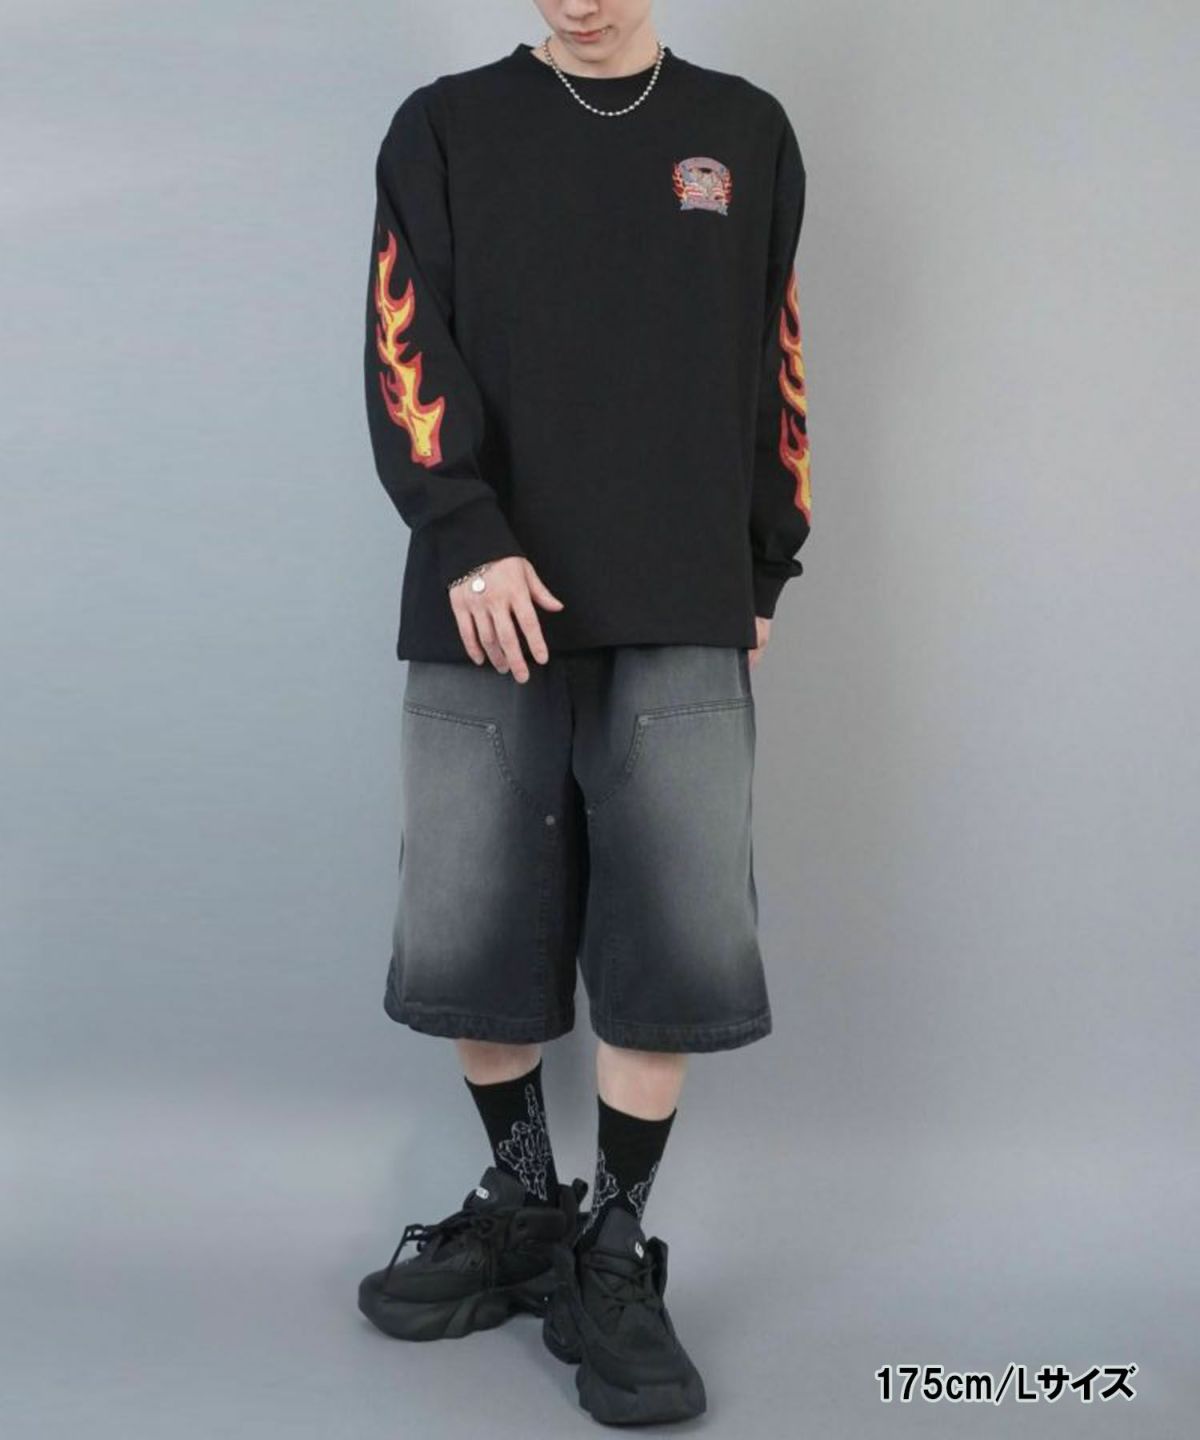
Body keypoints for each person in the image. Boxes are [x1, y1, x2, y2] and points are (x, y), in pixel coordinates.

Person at [355, 2, 810, 1426]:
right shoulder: (445, 127)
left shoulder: (743, 133)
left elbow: (775, 355)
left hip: (678, 588)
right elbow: (404, 343)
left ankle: (613, 1248)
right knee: (471, 919)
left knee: (671, 932)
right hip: (486, 595)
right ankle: (526, 1204)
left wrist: (764, 559)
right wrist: (464, 533)